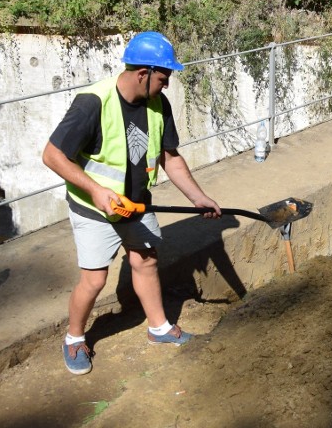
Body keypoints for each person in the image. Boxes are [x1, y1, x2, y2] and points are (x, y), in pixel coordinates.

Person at [42, 31, 221, 375]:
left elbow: (170, 158)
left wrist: (199, 198)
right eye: (164, 77)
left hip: (136, 204)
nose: (167, 84)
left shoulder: (159, 105)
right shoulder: (93, 102)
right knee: (94, 280)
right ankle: (74, 338)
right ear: (144, 73)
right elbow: (52, 155)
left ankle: (159, 328)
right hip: (94, 208)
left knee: (146, 261)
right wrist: (96, 191)